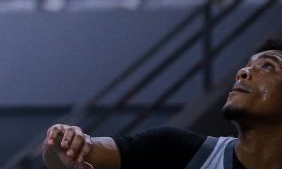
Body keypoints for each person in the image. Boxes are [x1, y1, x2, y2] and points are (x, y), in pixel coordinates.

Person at [40, 38, 282, 169]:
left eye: (267, 66)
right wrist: (62, 143)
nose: (243, 72)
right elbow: (76, 155)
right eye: (247, 65)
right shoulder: (178, 150)